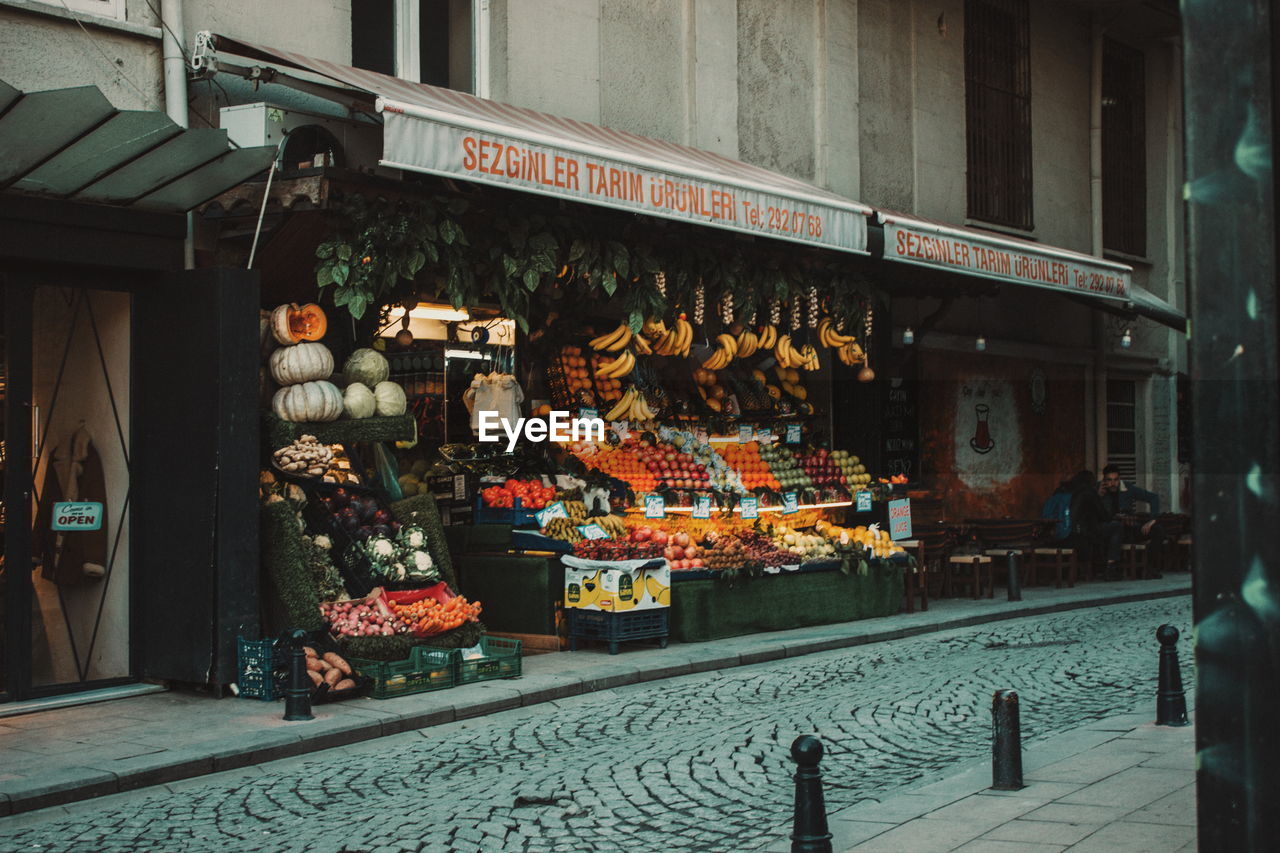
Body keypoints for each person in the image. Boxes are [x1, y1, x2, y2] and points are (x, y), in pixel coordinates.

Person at [1099, 464, 1167, 577]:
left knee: (1158, 530)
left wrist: (1153, 519)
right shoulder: (1099, 490)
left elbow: (1153, 497)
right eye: (1109, 480)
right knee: (1116, 527)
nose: (1112, 483)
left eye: (1115, 480)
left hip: (1129, 529)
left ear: (1119, 479)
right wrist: (1098, 495)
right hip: (1110, 531)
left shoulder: (1128, 487)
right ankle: (1111, 569)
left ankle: (1148, 567)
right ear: (1104, 480)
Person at [1068, 470, 1124, 580]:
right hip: (1087, 531)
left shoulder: (1075, 492)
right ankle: (1111, 566)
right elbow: (1104, 515)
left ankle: (1101, 567)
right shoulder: (1090, 492)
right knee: (1117, 527)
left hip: (1074, 531)